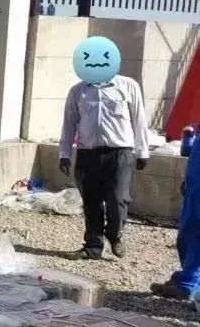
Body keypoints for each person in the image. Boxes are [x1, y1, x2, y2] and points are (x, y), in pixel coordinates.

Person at [58, 36, 148, 260]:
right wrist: (64, 154)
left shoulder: (128, 86)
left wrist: (142, 151)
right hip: (88, 154)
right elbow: (69, 124)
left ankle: (115, 235)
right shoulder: (78, 91)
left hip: (120, 154)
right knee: (92, 201)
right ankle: (93, 247)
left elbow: (139, 120)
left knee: (118, 199)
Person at [151, 139, 200, 300]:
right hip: (195, 186)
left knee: (195, 234)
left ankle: (189, 284)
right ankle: (188, 281)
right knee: (188, 234)